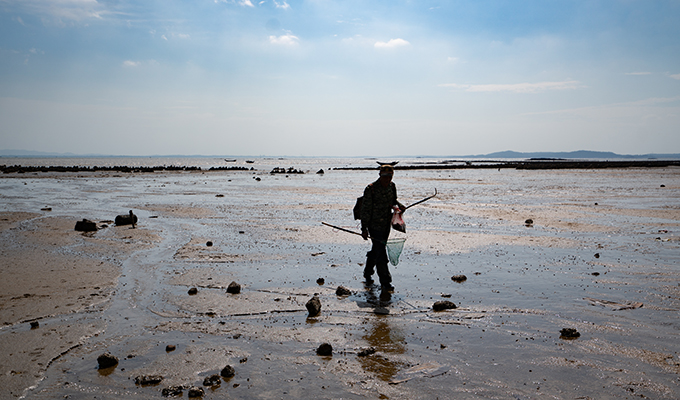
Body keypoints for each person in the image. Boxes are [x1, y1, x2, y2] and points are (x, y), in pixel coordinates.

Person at [360, 164, 405, 291]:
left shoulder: (392, 186)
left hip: (386, 225)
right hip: (374, 226)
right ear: (380, 175)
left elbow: (393, 201)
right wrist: (364, 229)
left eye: (389, 176)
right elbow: (365, 210)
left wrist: (400, 206)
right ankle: (385, 282)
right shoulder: (371, 189)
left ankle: (367, 272)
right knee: (381, 254)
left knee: (377, 249)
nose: (387, 179)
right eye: (385, 176)